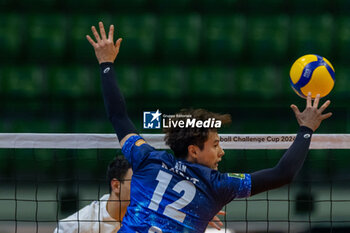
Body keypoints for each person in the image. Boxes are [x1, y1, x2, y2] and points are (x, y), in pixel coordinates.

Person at [86, 21, 332, 232]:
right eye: (215, 144)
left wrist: (106, 63)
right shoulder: (218, 185)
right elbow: (283, 174)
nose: (222, 152)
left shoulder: (146, 158)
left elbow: (118, 116)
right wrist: (306, 129)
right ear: (193, 150)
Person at [54, 156, 132, 233]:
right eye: (136, 184)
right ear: (116, 186)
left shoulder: (141, 216)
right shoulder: (83, 224)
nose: (143, 190)